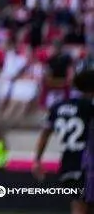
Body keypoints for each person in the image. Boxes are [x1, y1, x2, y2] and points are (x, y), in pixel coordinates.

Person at [35, 58, 94, 214]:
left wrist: (37, 160)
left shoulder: (58, 106)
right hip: (86, 164)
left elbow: (45, 133)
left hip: (68, 164)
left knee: (79, 204)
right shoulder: (89, 107)